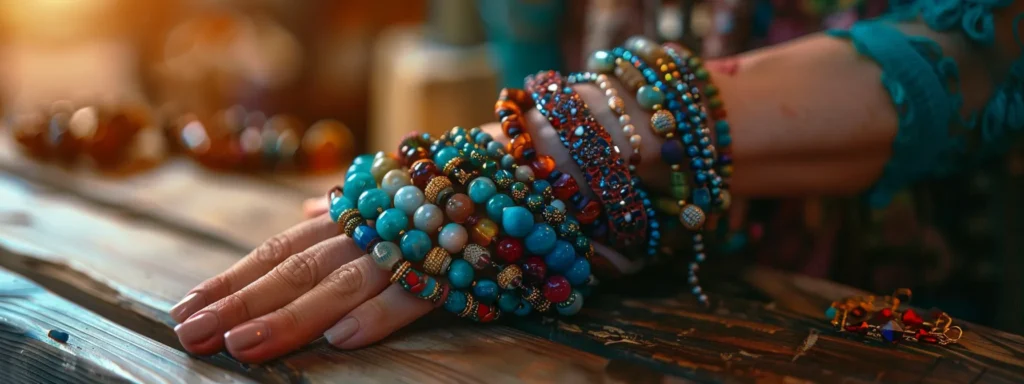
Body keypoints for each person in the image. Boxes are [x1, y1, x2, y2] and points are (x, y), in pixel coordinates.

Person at [169, 1, 1024, 363]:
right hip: (628, 278)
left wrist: (589, 139)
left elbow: (990, 50)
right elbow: (530, 55)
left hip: (921, 312)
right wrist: (579, 211)